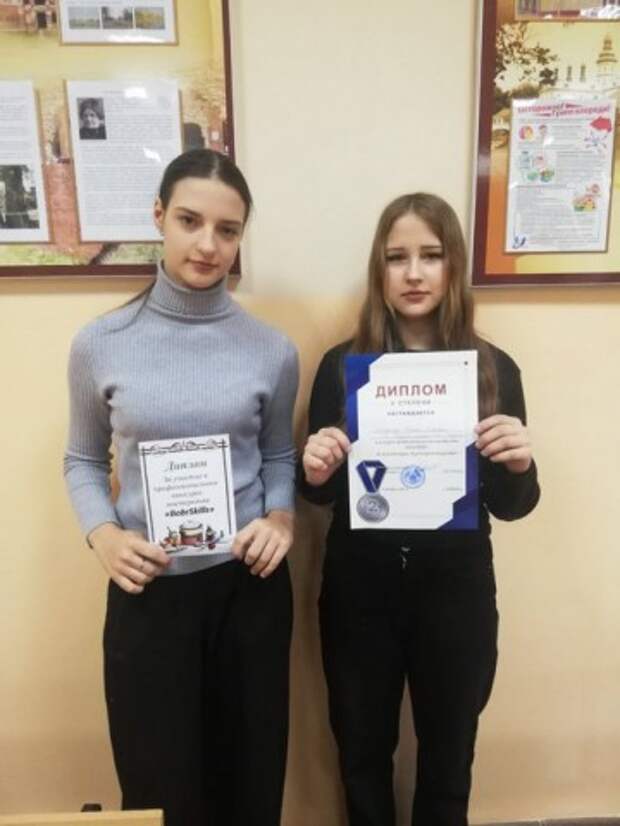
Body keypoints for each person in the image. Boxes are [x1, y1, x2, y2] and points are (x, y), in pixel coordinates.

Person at [64, 149, 299, 826]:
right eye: (190, 221)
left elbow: (279, 455)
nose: (207, 245)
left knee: (250, 786)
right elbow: (82, 460)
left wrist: (280, 519)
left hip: (248, 591)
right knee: (161, 791)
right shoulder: (101, 343)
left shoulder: (272, 349)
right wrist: (104, 536)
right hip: (150, 593)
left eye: (228, 230)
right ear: (158, 217)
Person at [299, 193, 540, 826]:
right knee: (360, 754)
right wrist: (316, 468)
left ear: (453, 265)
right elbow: (318, 496)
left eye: (430, 256)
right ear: (377, 269)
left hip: (456, 590)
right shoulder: (341, 367)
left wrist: (519, 463)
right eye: (396, 257)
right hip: (359, 589)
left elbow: (512, 506)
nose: (413, 273)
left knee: (449, 758)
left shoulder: (493, 369)